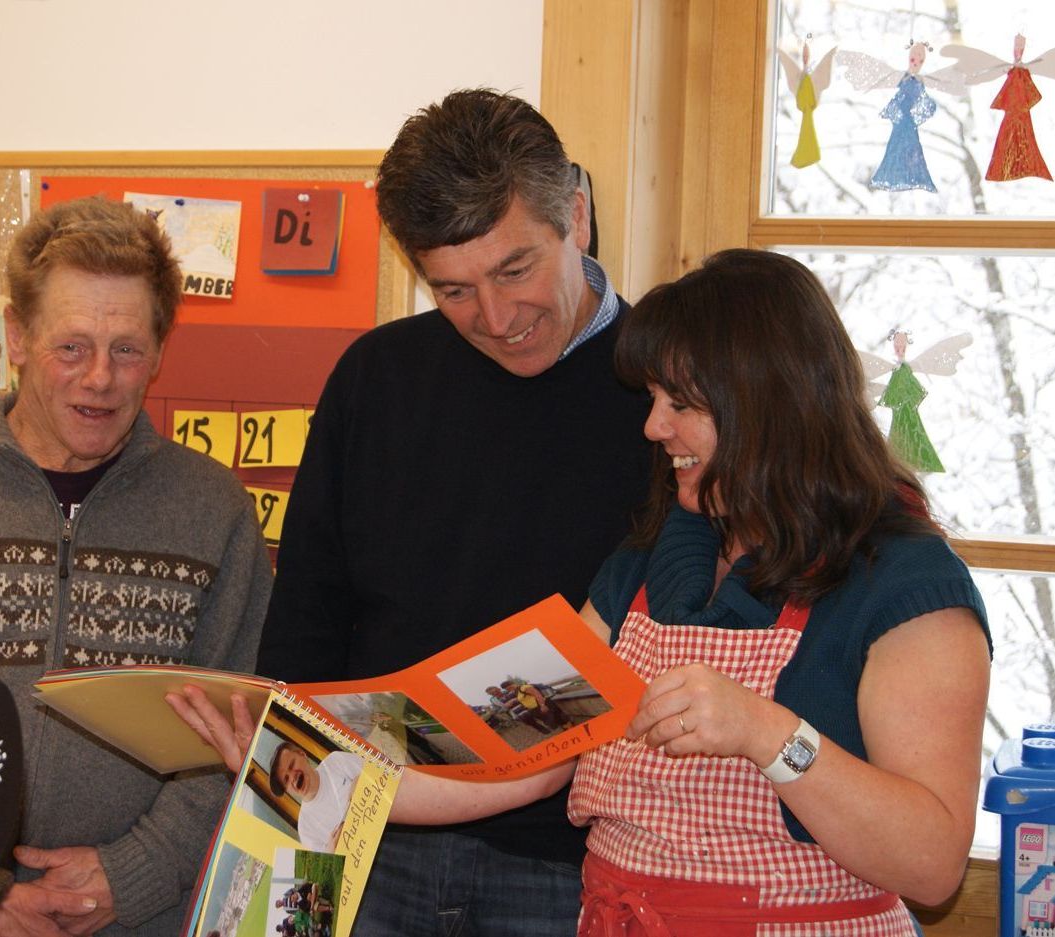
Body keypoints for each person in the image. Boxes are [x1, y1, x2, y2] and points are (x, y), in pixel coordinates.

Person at [174, 250, 992, 936]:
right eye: (654, 401)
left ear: (767, 403)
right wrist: (295, 764)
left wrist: (769, 732)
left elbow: (930, 863)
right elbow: (499, 752)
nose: (652, 427)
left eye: (682, 404)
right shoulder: (647, 563)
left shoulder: (907, 584)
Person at [254, 87, 652, 935]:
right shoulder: (376, 378)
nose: (498, 319)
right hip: (367, 842)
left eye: (515, 269)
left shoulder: (667, 391)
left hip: (578, 860)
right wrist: (290, 851)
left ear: (574, 215)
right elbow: (307, 621)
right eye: (455, 291)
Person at [0, 196, 273, 937]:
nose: (100, 377)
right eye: (71, 346)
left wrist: (134, 871)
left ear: (161, 349)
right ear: (16, 336)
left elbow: (242, 728)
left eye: (127, 349)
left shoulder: (216, 512)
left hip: (151, 915)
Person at [268, 742, 364, 852]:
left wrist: (360, 783)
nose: (293, 777)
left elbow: (376, 774)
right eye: (286, 779)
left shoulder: (335, 762)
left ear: (302, 754)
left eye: (292, 765)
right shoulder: (305, 827)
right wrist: (331, 852)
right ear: (287, 790)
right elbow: (329, 865)